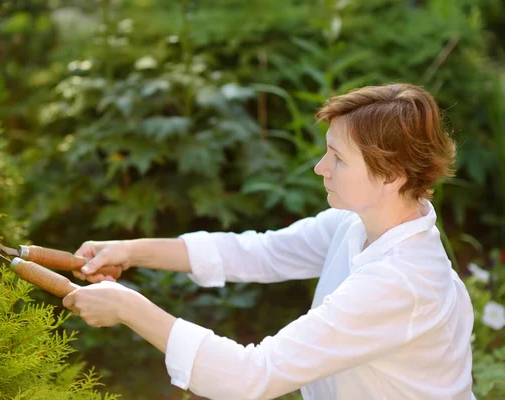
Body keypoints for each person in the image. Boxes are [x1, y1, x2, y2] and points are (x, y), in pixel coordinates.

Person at [62, 83, 476, 400]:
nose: (320, 168)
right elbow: (261, 252)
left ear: (391, 175)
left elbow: (250, 376)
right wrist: (131, 251)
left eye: (338, 158)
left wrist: (128, 307)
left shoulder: (400, 282)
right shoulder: (358, 223)